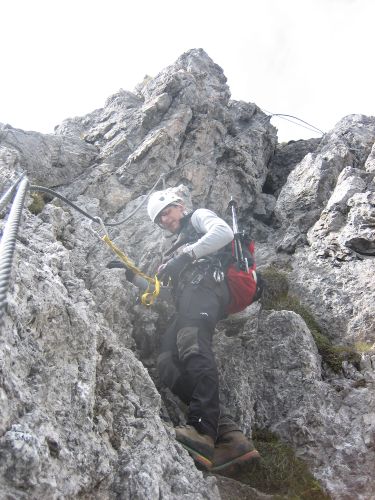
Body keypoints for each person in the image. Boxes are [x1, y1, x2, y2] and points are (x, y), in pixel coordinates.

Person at [145, 187, 260, 472]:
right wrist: (128, 275)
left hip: (208, 288)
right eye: (160, 218)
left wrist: (186, 257)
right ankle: (230, 438)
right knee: (168, 361)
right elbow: (162, 290)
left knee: (193, 345)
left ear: (179, 206)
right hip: (191, 298)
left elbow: (223, 233)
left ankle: (201, 430)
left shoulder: (198, 218)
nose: (165, 220)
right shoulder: (176, 249)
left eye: (167, 212)